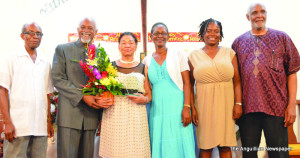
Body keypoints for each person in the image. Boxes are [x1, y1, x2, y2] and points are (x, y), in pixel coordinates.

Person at [232, 3, 300, 158]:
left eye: (262, 11)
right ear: (248, 17)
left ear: (267, 14)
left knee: (279, 154)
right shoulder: (238, 43)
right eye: (254, 12)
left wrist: (291, 106)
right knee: (249, 154)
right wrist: (237, 104)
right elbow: (235, 79)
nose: (259, 15)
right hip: (248, 109)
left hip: (277, 107)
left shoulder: (282, 38)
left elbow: (292, 72)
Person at [51, 17, 113, 158]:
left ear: (96, 32)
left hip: (91, 117)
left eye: (90, 28)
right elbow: (57, 79)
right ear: (78, 30)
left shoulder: (101, 55)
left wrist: (102, 113)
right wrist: (83, 96)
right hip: (69, 116)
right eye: (83, 27)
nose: (86, 31)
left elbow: (104, 85)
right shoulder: (63, 50)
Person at [189, 18, 242, 158]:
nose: (212, 34)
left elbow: (237, 81)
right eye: (209, 31)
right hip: (203, 106)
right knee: (205, 147)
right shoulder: (193, 56)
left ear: (220, 34)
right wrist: (192, 108)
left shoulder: (230, 53)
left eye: (216, 31)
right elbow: (189, 84)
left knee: (225, 146)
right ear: (203, 33)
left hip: (226, 105)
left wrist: (238, 104)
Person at [0, 22, 54, 158]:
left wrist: (48, 122)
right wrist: (7, 123)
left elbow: (48, 94)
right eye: (30, 33)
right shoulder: (11, 59)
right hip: (18, 126)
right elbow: (3, 91)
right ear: (22, 36)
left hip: (40, 127)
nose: (35, 36)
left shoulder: (45, 63)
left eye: (39, 34)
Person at [144, 22, 195, 158]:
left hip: (177, 107)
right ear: (151, 36)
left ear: (168, 36)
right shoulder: (147, 60)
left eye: (163, 33)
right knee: (160, 142)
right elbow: (147, 89)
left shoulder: (178, 54)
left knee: (179, 142)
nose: (160, 36)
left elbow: (187, 83)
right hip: (157, 110)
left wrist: (187, 107)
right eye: (156, 33)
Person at [99, 32, 152, 157]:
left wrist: (144, 99)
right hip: (114, 113)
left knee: (136, 150)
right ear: (119, 46)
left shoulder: (143, 67)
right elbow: (102, 91)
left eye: (130, 42)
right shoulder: (109, 66)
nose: (127, 45)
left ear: (135, 46)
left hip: (136, 114)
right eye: (123, 43)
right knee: (114, 150)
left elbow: (149, 94)